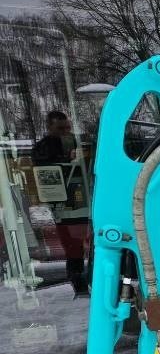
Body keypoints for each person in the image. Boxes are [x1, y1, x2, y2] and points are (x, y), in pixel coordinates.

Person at [32, 111, 90, 295]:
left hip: (86, 202)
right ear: (49, 127)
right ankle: (79, 286)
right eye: (60, 128)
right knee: (73, 249)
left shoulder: (79, 142)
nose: (65, 132)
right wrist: (68, 161)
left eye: (67, 128)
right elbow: (44, 171)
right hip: (63, 206)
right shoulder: (43, 147)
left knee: (94, 244)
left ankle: (90, 282)